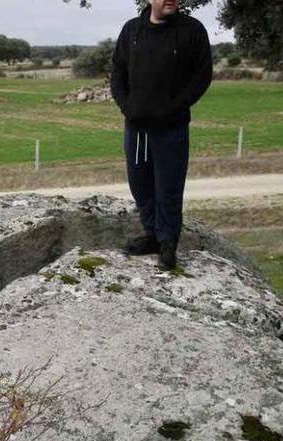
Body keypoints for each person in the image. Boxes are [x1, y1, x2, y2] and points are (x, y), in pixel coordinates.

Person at [110, 0, 213, 270]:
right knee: (140, 184)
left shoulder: (192, 31)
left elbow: (201, 77)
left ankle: (168, 243)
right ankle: (152, 234)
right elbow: (117, 72)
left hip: (172, 128)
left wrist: (173, 108)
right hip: (137, 128)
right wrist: (127, 107)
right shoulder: (132, 31)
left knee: (168, 187)